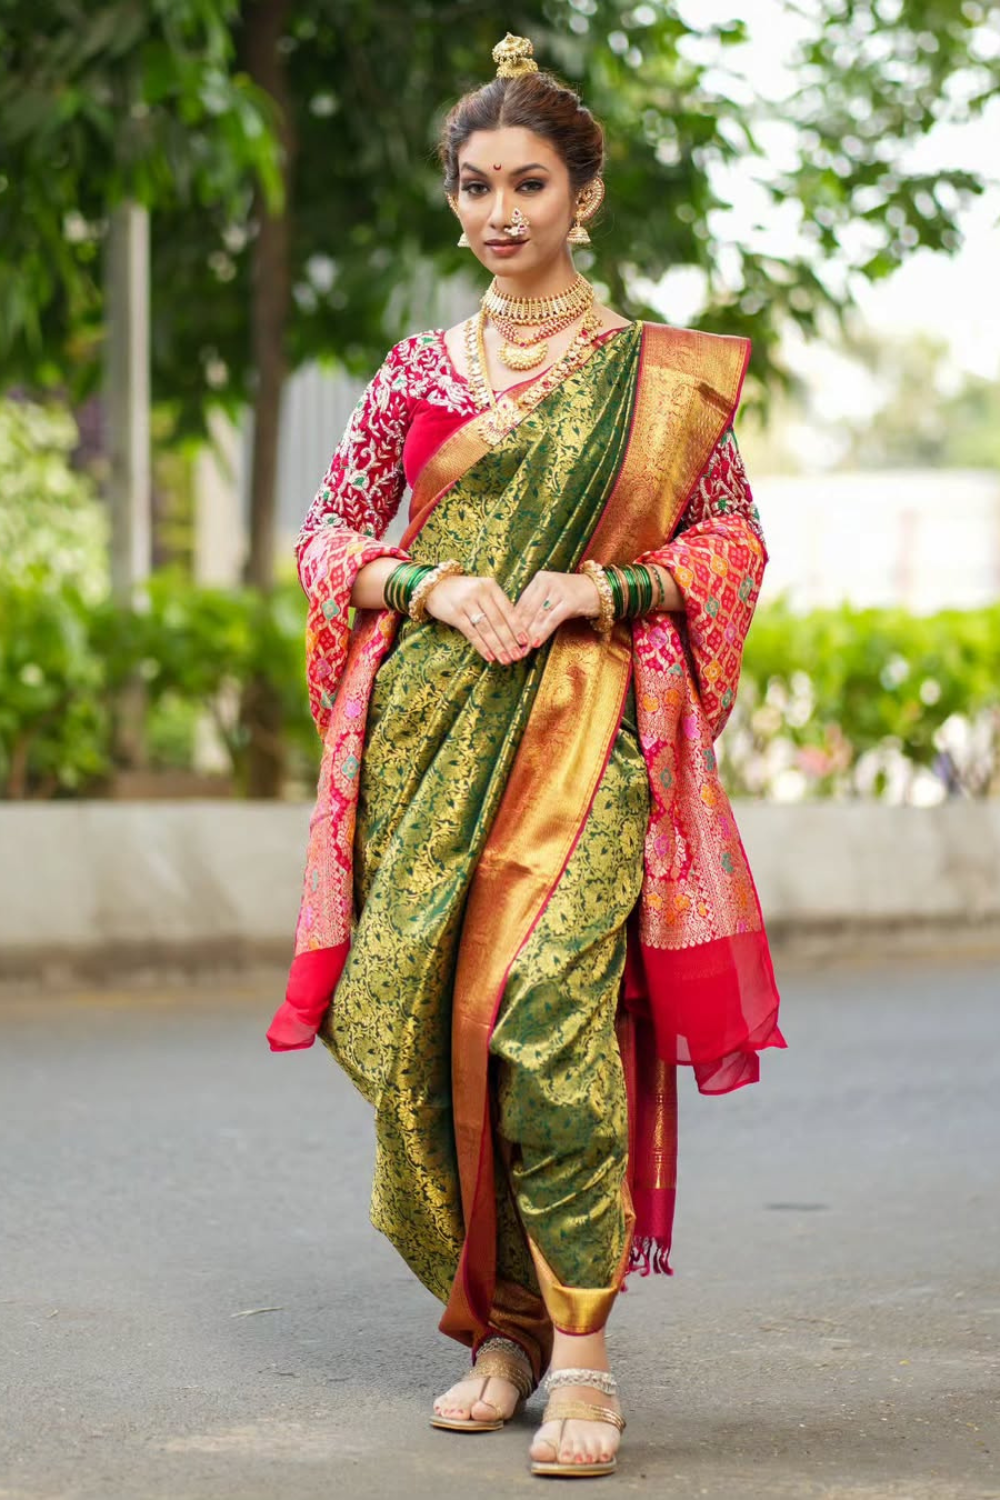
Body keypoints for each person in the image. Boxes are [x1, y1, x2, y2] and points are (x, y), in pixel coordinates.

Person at [267, 32, 786, 1481]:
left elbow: (731, 545)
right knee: (429, 1022)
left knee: (550, 1016)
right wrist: (427, 585)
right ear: (454, 199)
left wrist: (598, 590)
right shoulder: (415, 370)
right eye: (477, 185)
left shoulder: (654, 377)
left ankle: (581, 1358)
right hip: (428, 737)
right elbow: (328, 535)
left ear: (584, 196)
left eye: (531, 184)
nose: (501, 212)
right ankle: (495, 1329)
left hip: (586, 730)